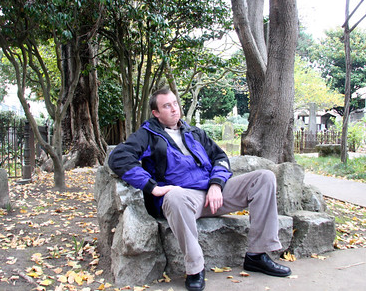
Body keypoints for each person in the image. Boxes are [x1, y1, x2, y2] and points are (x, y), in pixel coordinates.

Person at [107, 88, 291, 291]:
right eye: (166, 106)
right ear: (156, 113)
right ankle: (195, 268)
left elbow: (220, 158)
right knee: (175, 197)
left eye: (175, 103)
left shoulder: (195, 132)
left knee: (264, 178)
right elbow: (119, 158)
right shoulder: (147, 135)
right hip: (183, 199)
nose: (174, 109)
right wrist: (152, 187)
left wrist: (216, 185)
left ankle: (257, 255)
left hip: (214, 194)